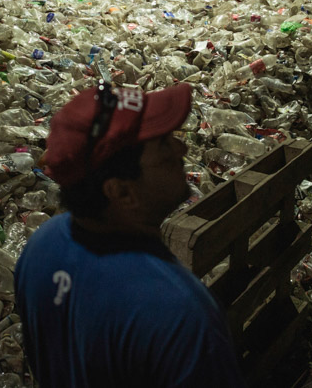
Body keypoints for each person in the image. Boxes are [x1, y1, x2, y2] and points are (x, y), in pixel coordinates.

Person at [14, 81, 246, 388]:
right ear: (123, 192)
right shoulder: (180, 315)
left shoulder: (42, 246)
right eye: (164, 144)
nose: (182, 148)